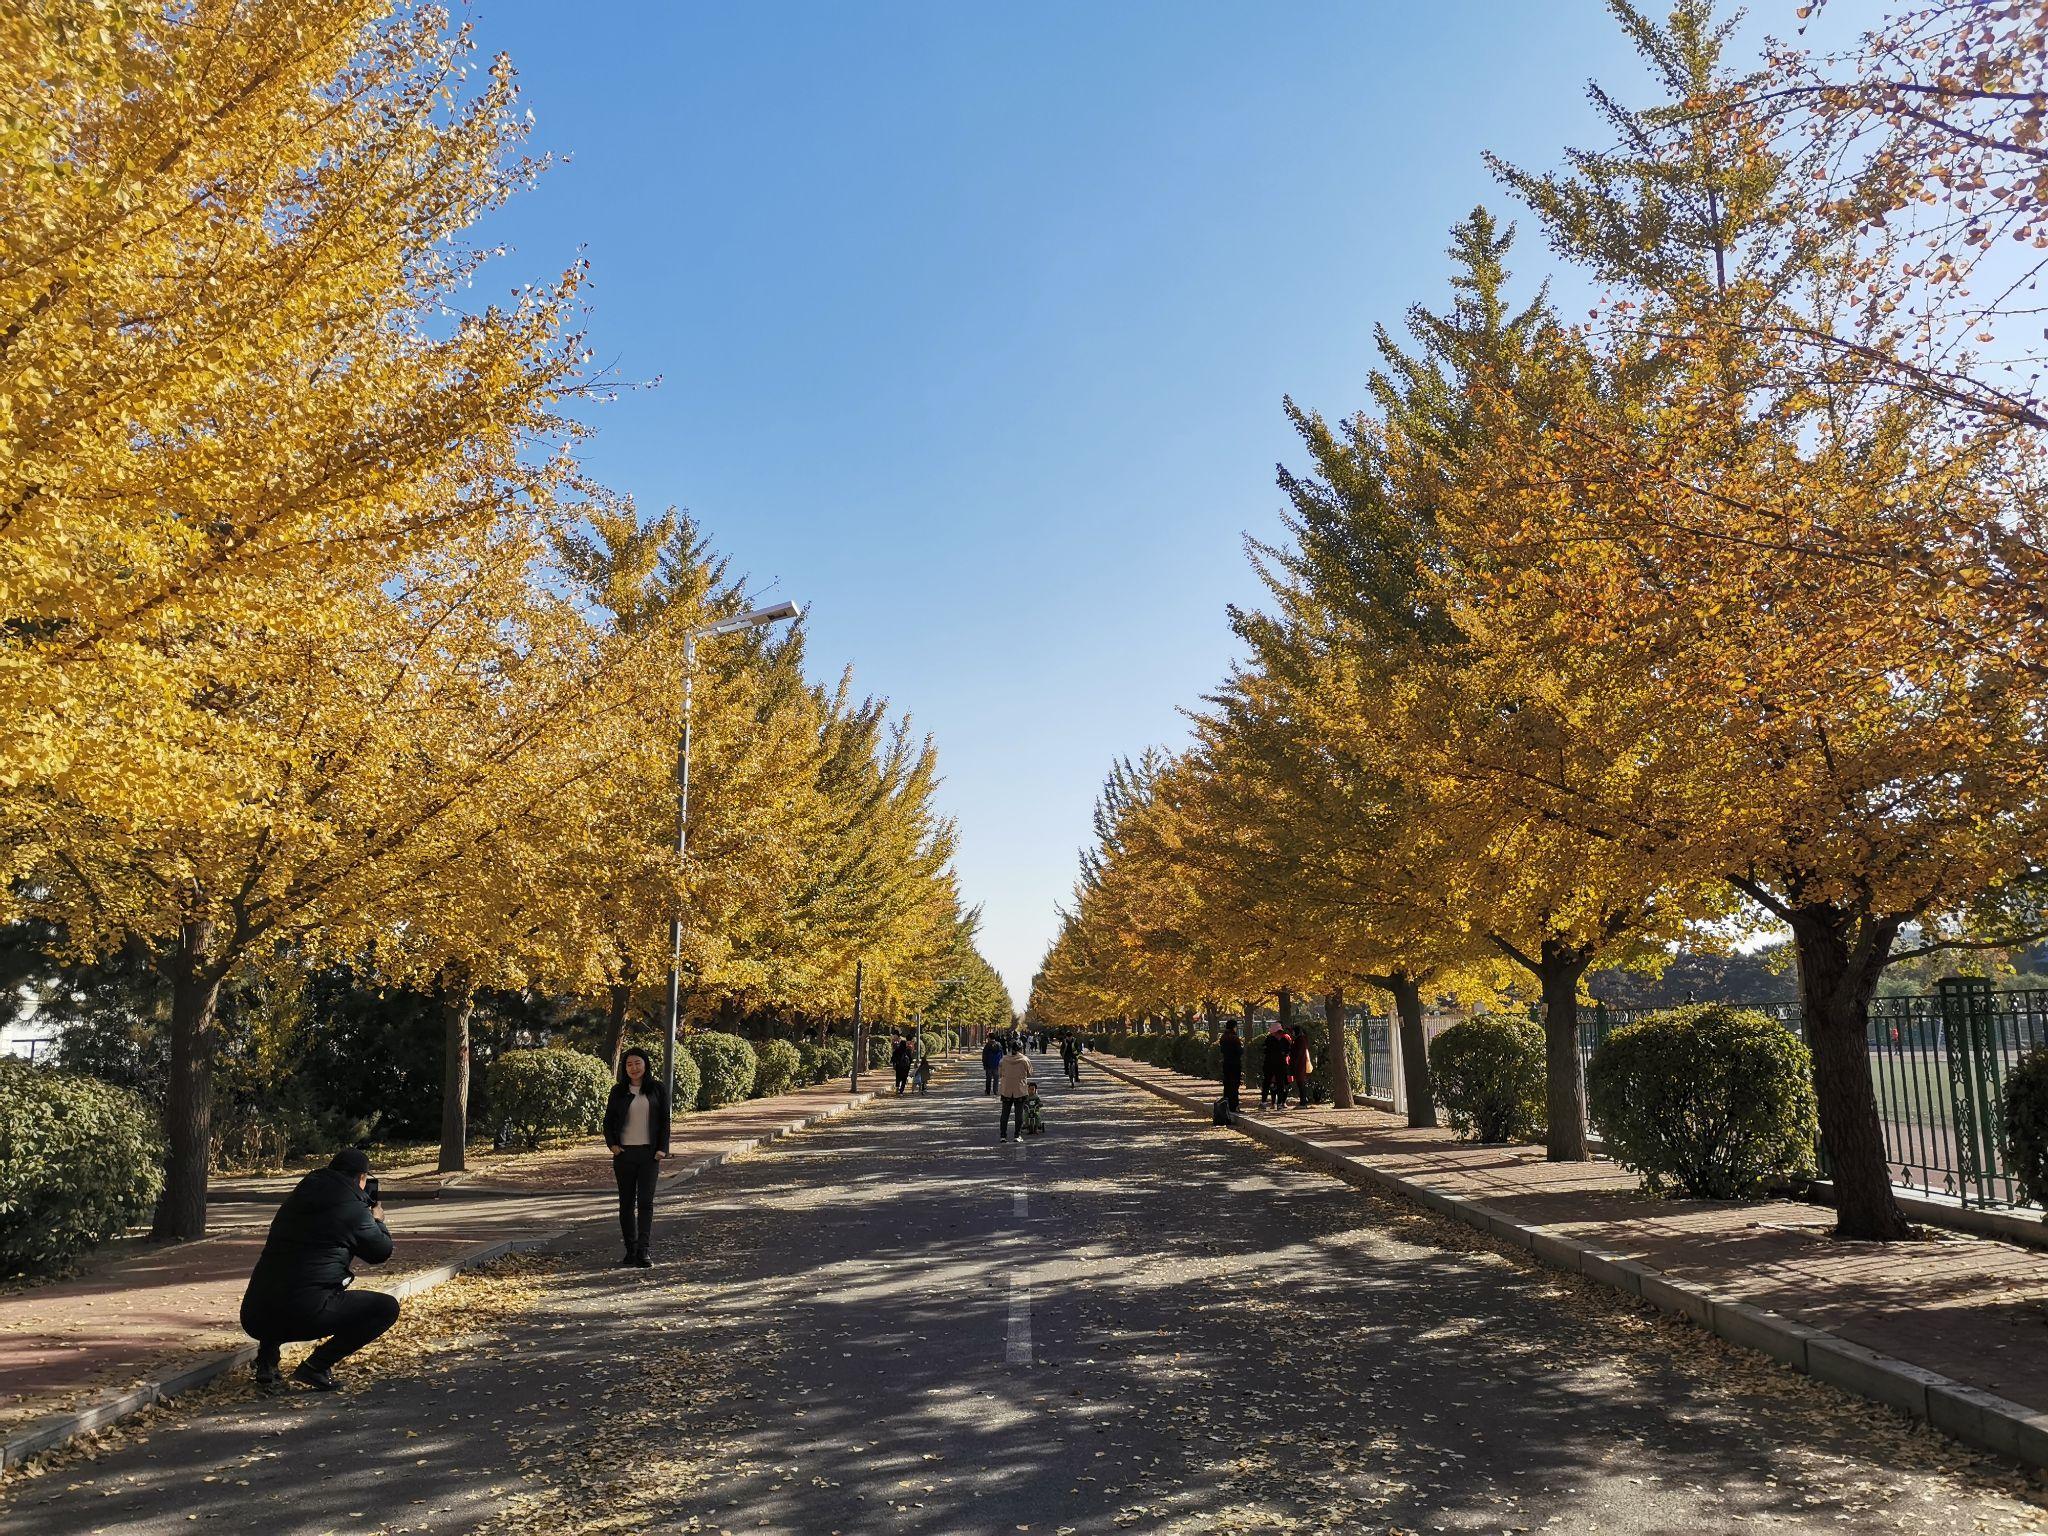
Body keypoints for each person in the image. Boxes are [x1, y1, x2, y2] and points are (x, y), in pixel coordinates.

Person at [239, 1148, 399, 1392]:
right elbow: (380, 1252)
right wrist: (378, 1220)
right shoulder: (353, 1210)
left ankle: (266, 1362)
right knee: (386, 1308)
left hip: (254, 1315)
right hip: (305, 1314)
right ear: (361, 1179)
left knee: (286, 1281)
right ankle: (316, 1366)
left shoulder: (296, 1200)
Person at [604, 1047, 672, 1268]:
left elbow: (664, 1121)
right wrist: (613, 1145)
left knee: (645, 1202)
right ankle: (630, 1250)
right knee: (626, 1203)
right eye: (629, 1064)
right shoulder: (618, 1091)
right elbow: (608, 1121)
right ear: (625, 1068)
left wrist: (662, 1148)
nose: (633, 1068)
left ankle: (643, 1251)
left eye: (637, 1063)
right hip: (624, 1154)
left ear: (645, 1064)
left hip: (649, 1154)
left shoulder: (657, 1089)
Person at [997, 1045, 1036, 1141]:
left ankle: (1003, 1136)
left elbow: (1000, 1073)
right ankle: (1017, 1135)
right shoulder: (1025, 1059)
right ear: (1020, 1049)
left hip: (1006, 1089)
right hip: (1020, 1089)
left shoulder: (1004, 1060)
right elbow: (1030, 1073)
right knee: (1019, 1113)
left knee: (1005, 1113)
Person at [1261, 1022, 1291, 1111]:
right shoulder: (1280, 1040)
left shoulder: (1269, 1040)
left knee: (1272, 1083)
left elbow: (1264, 1051)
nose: (1279, 1034)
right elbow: (1288, 1050)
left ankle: (1273, 1102)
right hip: (1278, 1064)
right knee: (1275, 1083)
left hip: (1273, 1064)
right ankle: (1276, 1103)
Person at [1218, 1020, 1244, 1113]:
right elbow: (1239, 1051)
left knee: (1227, 1085)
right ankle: (1234, 1105)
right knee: (1234, 1085)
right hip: (1235, 1064)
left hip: (1226, 1063)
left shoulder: (1223, 1037)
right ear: (1234, 1027)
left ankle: (1226, 1105)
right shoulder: (1234, 1038)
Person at [1290, 1023, 1313, 1108]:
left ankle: (1303, 1102)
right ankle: (1303, 1100)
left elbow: (1297, 1053)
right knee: (1301, 1082)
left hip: (1300, 1064)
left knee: (1301, 1083)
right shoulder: (1303, 1039)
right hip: (1301, 1063)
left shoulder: (1300, 1040)